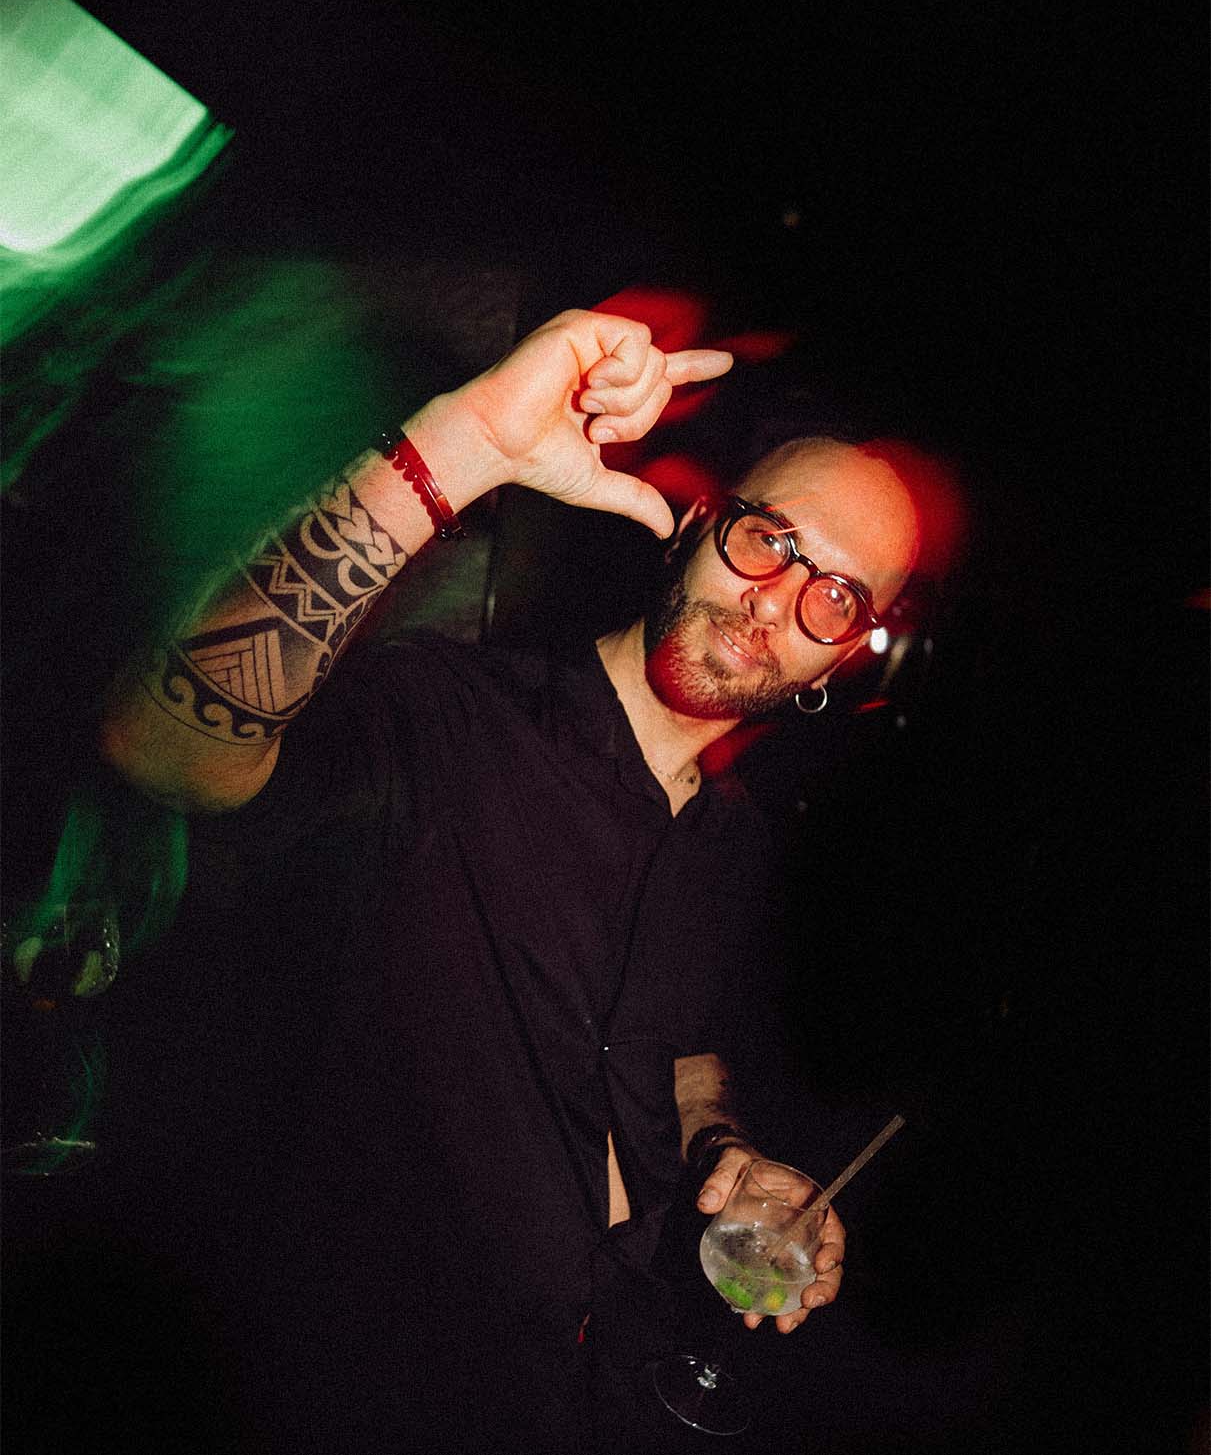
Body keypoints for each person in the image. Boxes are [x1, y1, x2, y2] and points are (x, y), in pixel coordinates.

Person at [99, 307, 925, 1452]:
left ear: (839, 656)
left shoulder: (730, 841)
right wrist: (456, 447)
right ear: (696, 525)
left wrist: (725, 1155)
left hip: (592, 1388)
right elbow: (164, 743)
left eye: (835, 595)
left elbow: (677, 1050)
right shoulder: (449, 716)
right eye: (768, 539)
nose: (775, 600)